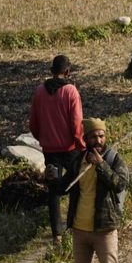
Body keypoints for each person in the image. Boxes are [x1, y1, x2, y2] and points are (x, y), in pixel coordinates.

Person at [61, 117, 128, 263]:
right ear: (85, 138)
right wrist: (50, 178)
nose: (98, 140)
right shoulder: (77, 161)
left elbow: (119, 184)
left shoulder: (113, 158)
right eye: (93, 136)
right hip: (80, 228)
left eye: (101, 135)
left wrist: (101, 165)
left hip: (104, 228)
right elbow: (64, 187)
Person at [29, 53, 85, 246]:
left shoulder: (39, 92)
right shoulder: (71, 92)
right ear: (67, 72)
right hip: (70, 149)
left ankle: (57, 235)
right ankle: (72, 226)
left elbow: (33, 124)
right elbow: (77, 123)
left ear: (52, 72)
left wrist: (44, 139)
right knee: (75, 185)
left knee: (53, 189)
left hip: (50, 150)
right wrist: (81, 145)